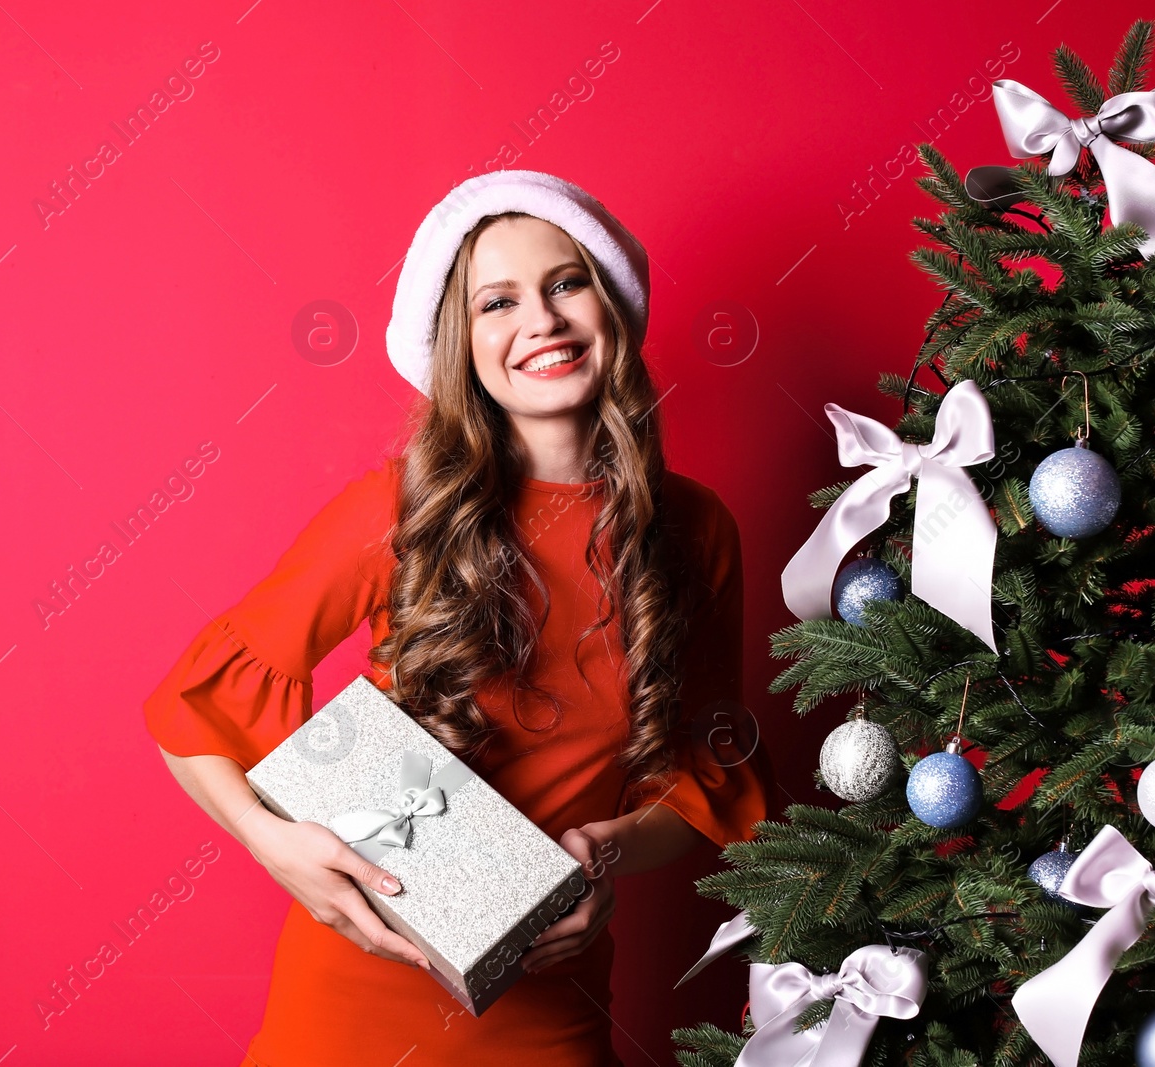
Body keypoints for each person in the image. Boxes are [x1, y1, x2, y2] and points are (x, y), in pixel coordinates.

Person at [143, 169, 774, 1066]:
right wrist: (273, 842)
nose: (542, 322)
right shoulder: (396, 511)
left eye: (566, 284)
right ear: (461, 346)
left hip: (547, 1004)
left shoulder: (698, 528)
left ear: (613, 308)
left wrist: (609, 857)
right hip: (349, 996)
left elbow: (702, 776)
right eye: (498, 303)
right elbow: (188, 710)